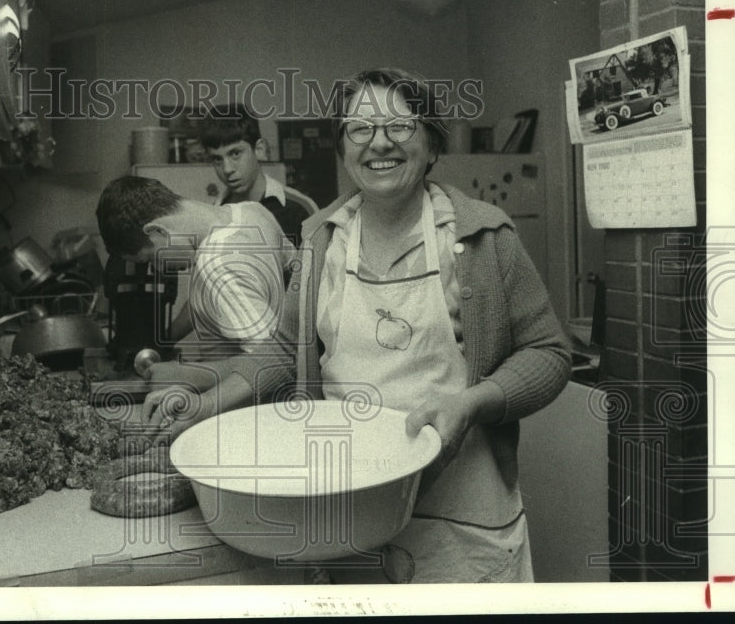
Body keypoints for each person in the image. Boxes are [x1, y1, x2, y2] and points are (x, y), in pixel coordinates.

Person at [142, 68, 571, 584]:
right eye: (360, 129)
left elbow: (548, 352)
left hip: (461, 521)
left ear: (432, 144)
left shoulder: (483, 236)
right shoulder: (321, 241)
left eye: (399, 126)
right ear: (344, 150)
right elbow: (284, 352)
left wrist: (473, 403)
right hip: (349, 516)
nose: (379, 143)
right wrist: (207, 404)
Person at [95, 175, 293, 363]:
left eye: (150, 258)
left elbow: (275, 363)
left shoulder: (216, 264)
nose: (157, 268)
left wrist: (189, 376)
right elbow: (290, 279)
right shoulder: (253, 212)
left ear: (157, 230)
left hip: (251, 398)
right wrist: (166, 339)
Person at [200, 103, 315, 247]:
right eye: (217, 159)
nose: (227, 169)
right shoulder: (213, 215)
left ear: (259, 149)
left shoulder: (299, 208)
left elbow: (319, 267)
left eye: (235, 153)